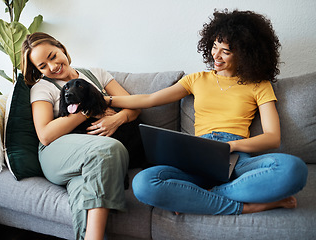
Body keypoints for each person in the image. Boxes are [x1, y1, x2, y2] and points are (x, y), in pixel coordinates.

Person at [106, 9, 308, 215]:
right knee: (143, 183)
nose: (216, 56)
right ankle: (245, 206)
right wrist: (106, 99)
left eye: (226, 52)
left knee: (294, 169)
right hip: (197, 157)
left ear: (246, 54)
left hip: (237, 158)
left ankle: (200, 196)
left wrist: (230, 146)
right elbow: (149, 99)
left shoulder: (259, 85)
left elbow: (273, 138)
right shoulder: (197, 79)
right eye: (214, 46)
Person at [21, 32, 141, 240]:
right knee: (109, 149)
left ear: (61, 48)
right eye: (42, 66)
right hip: (57, 154)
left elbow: (133, 106)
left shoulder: (96, 74)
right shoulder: (42, 88)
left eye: (52, 56)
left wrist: (117, 119)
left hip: (89, 155)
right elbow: (46, 135)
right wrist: (90, 110)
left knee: (84, 188)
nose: (52, 67)